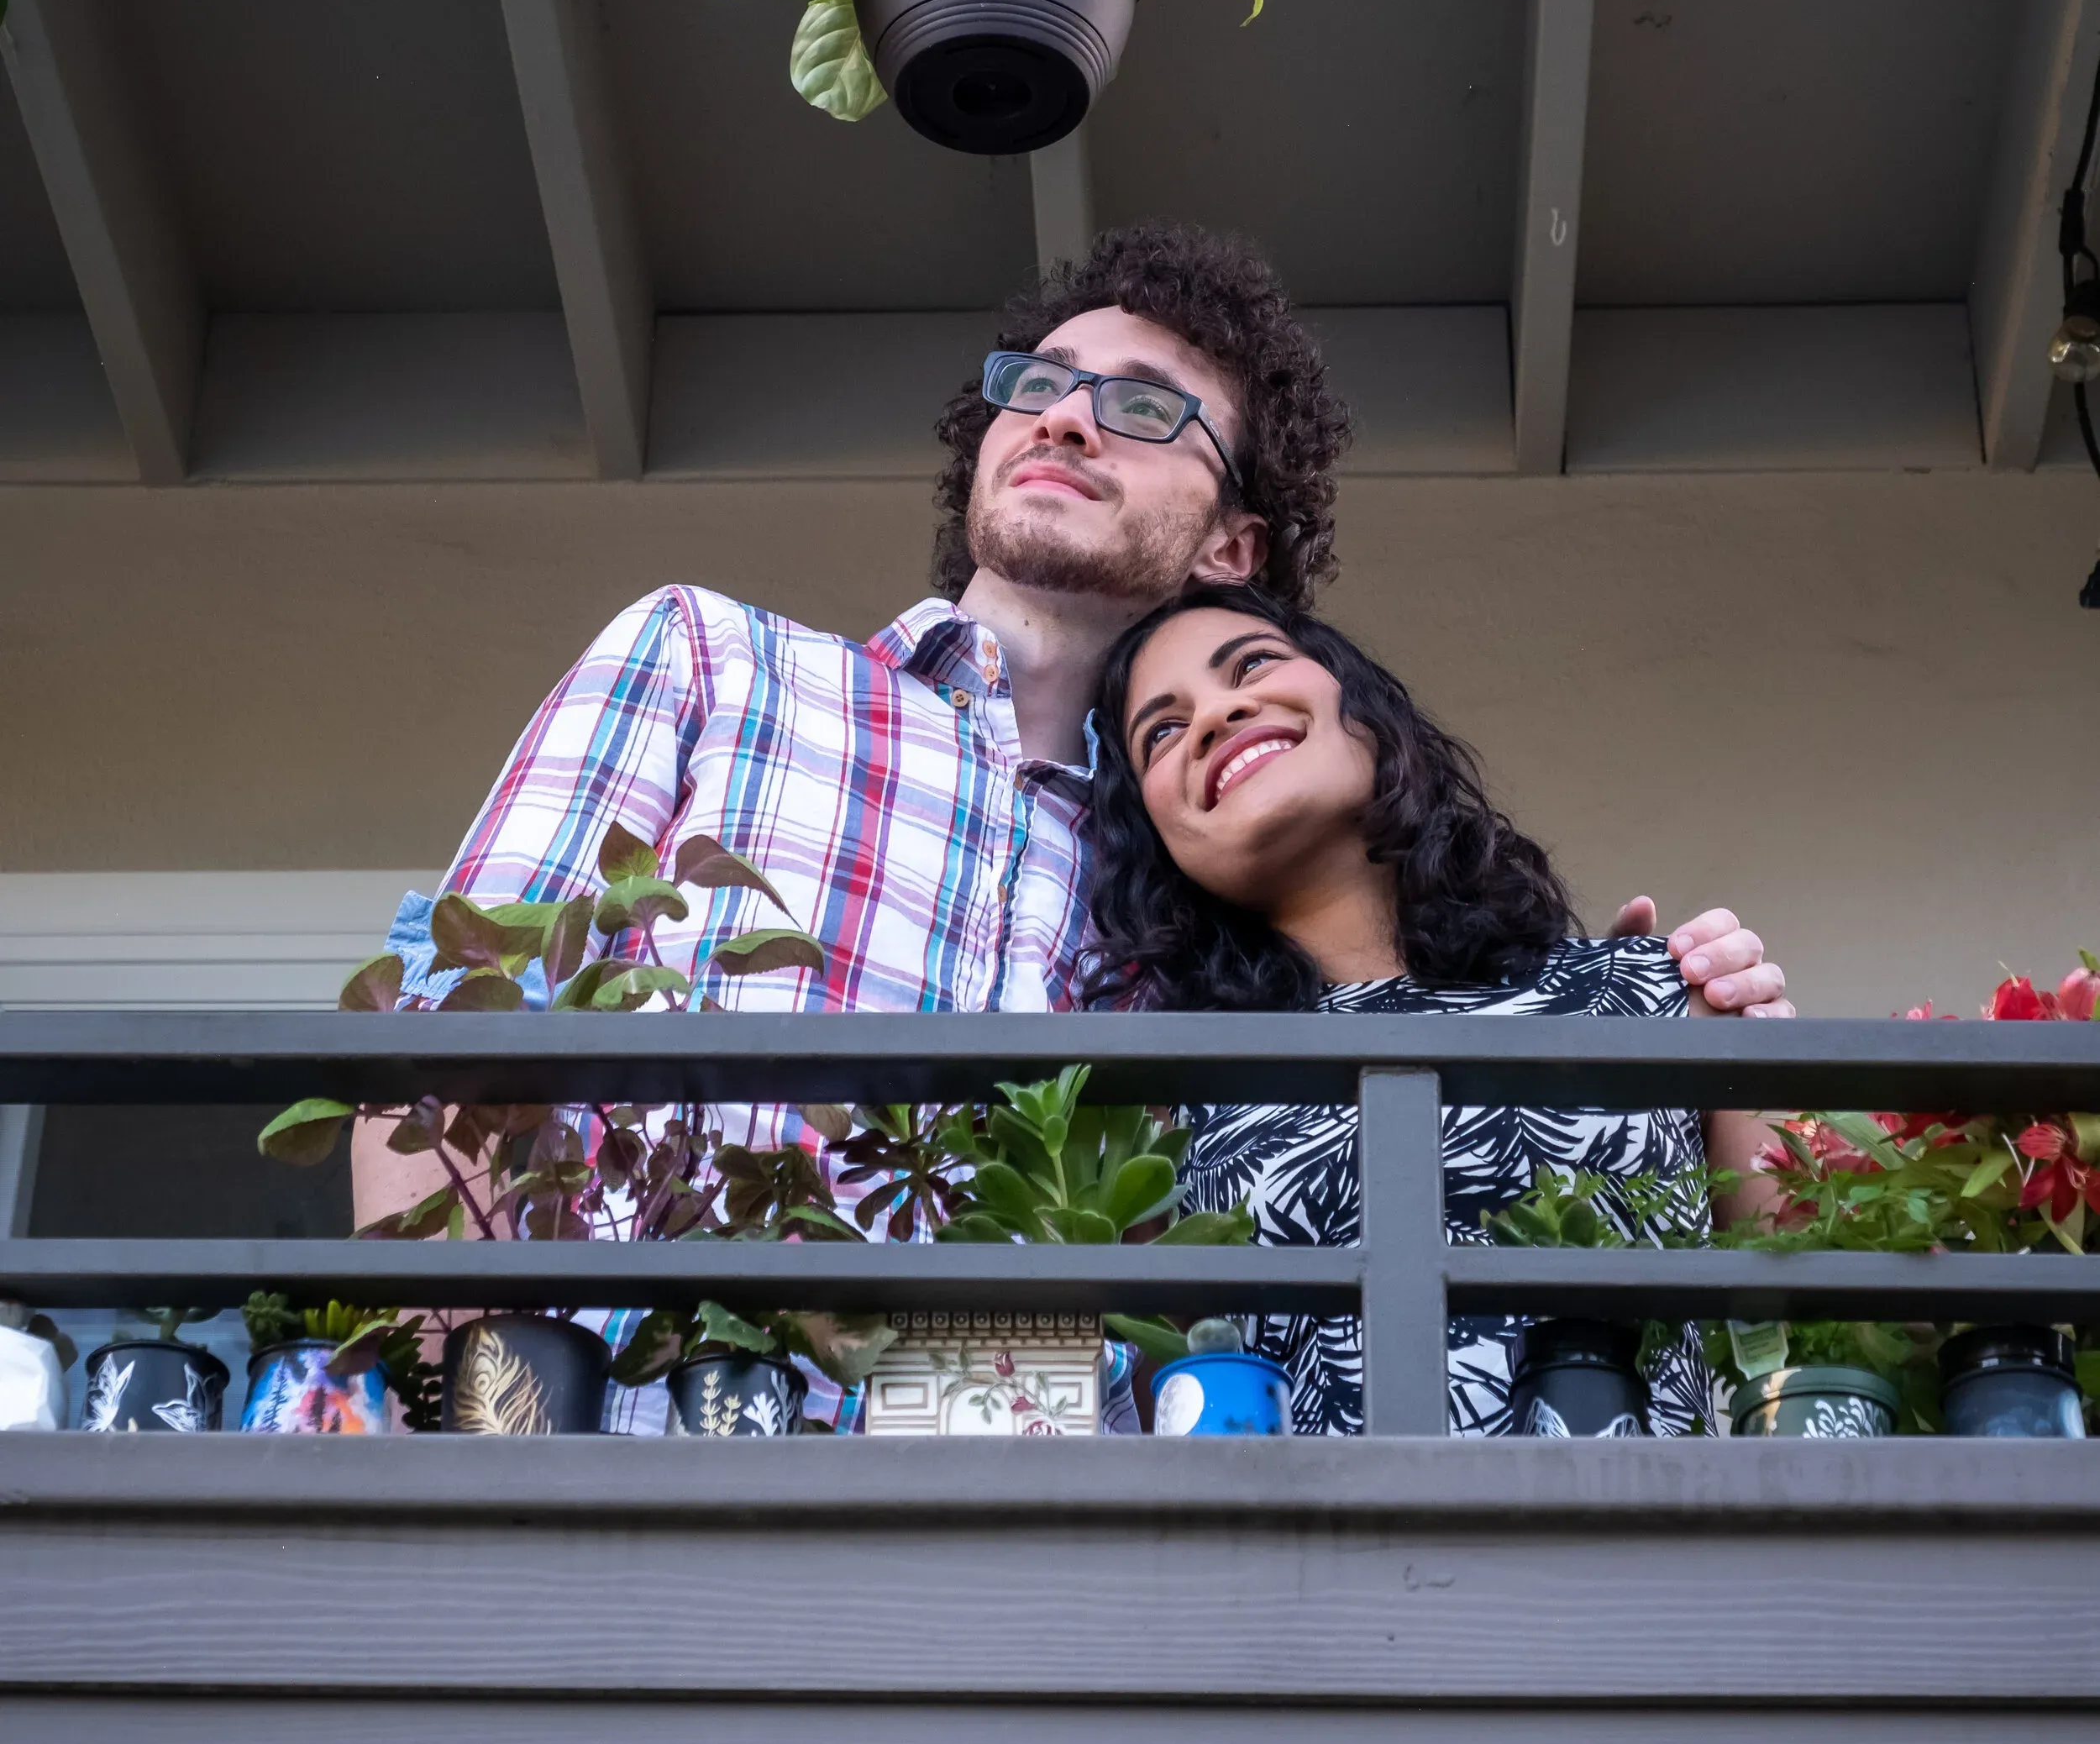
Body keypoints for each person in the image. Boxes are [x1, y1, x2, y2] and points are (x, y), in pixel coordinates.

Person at [354, 223, 1788, 1416]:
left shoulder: (1188, 885)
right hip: (608, 1462)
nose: (1062, 416)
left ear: (1232, 545)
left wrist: (1633, 1013)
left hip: (981, 1571)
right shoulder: (712, 657)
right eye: (1037, 384)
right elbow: (448, 1041)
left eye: (1145, 406)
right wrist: (473, 1456)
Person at [1084, 584, 1788, 1435]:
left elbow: (1838, 1326)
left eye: (1254, 665)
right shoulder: (1175, 1101)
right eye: (1161, 732)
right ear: (1154, 835)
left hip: (1649, 1520)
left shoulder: (1658, 992)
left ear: (1364, 709)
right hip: (1327, 1525)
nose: (1215, 714)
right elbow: (1168, 1421)